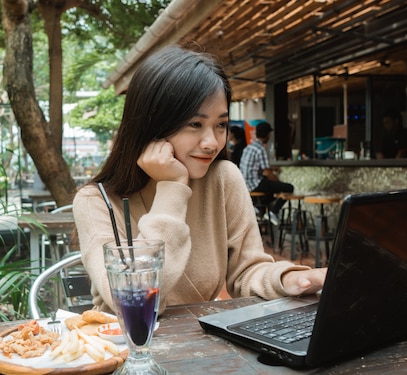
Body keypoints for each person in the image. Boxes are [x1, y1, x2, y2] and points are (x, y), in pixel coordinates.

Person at [73, 45, 326, 315]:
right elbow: (138, 301)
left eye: (220, 125)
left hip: (202, 346)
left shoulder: (223, 178)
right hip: (122, 349)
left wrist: (288, 279)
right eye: (195, 124)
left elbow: (247, 270)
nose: (212, 143)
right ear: (151, 124)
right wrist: (172, 188)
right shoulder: (95, 201)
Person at [239, 121, 294, 226]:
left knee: (271, 190)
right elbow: (267, 173)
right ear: (267, 135)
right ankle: (273, 212)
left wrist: (273, 169)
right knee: (289, 188)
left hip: (245, 184)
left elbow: (256, 168)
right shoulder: (260, 149)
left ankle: (259, 209)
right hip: (255, 184)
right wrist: (279, 183)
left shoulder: (248, 147)